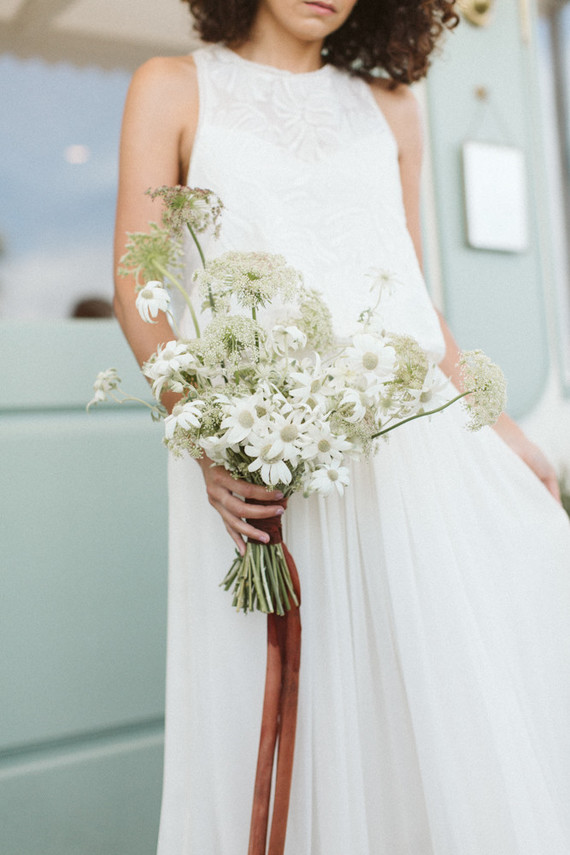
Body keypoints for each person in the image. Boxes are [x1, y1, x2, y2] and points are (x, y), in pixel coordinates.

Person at [113, 1, 570, 852]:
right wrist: (212, 437)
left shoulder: (393, 108)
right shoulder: (171, 87)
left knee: (424, 717)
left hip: (410, 466)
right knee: (279, 726)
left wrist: (499, 426)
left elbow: (415, 303)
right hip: (265, 469)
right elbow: (142, 301)